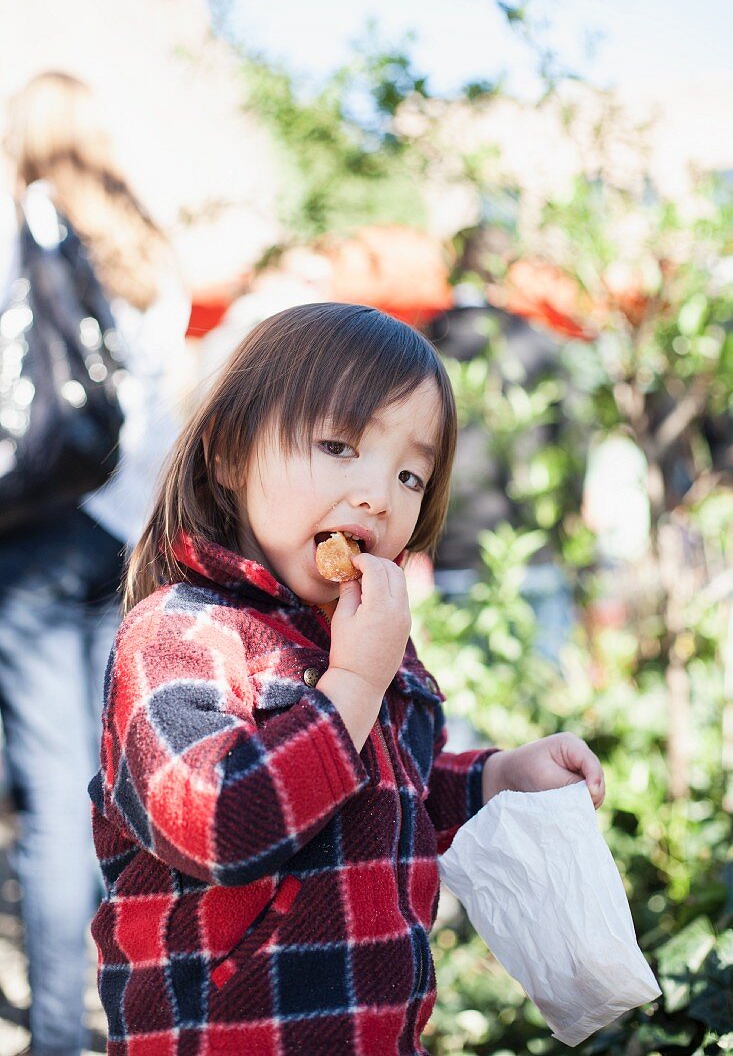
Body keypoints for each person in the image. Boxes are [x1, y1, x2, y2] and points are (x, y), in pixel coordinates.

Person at [89, 303, 605, 1054]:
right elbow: (219, 824)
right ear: (231, 454)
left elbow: (386, 792)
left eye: (409, 473)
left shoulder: (355, 635)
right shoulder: (180, 633)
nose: (377, 494)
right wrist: (355, 683)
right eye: (337, 446)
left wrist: (492, 780)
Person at [0, 72, 189, 1055]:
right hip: (127, 544)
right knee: (115, 786)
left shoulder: (23, 227)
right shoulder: (152, 249)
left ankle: (61, 1036)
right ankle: (131, 1014)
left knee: (53, 787)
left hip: (36, 532)